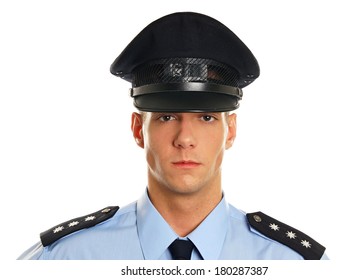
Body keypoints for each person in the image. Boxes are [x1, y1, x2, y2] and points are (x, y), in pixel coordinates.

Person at [18, 12, 328, 260]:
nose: (185, 138)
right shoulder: (65, 260)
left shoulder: (290, 262)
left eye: (206, 118)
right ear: (139, 129)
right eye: (167, 117)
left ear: (230, 131)